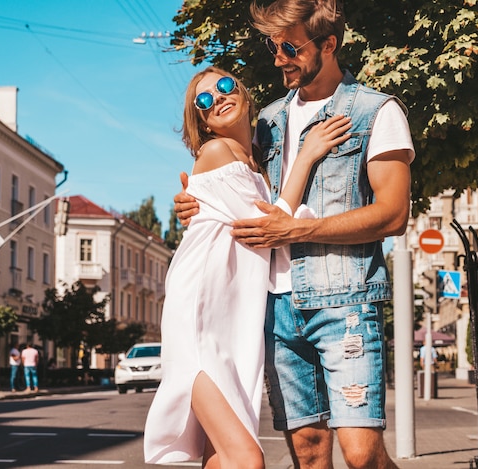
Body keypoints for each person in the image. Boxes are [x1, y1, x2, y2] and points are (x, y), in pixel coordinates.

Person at [173, 1, 415, 468]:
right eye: (273, 46)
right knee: (307, 451)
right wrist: (193, 205)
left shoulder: (374, 112)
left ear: (328, 44)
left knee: (361, 454)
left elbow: (392, 215)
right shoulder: (266, 121)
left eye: (290, 46)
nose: (279, 57)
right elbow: (232, 186)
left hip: (343, 300)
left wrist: (301, 228)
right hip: (274, 309)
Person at [144, 66, 351, 468]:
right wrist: (308, 155)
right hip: (200, 320)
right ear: (200, 121)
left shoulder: (255, 159)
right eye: (204, 101)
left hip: (231, 323)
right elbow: (269, 225)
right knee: (246, 459)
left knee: (220, 457)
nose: (217, 98)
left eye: (223, 86)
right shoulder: (217, 152)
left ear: (241, 90)